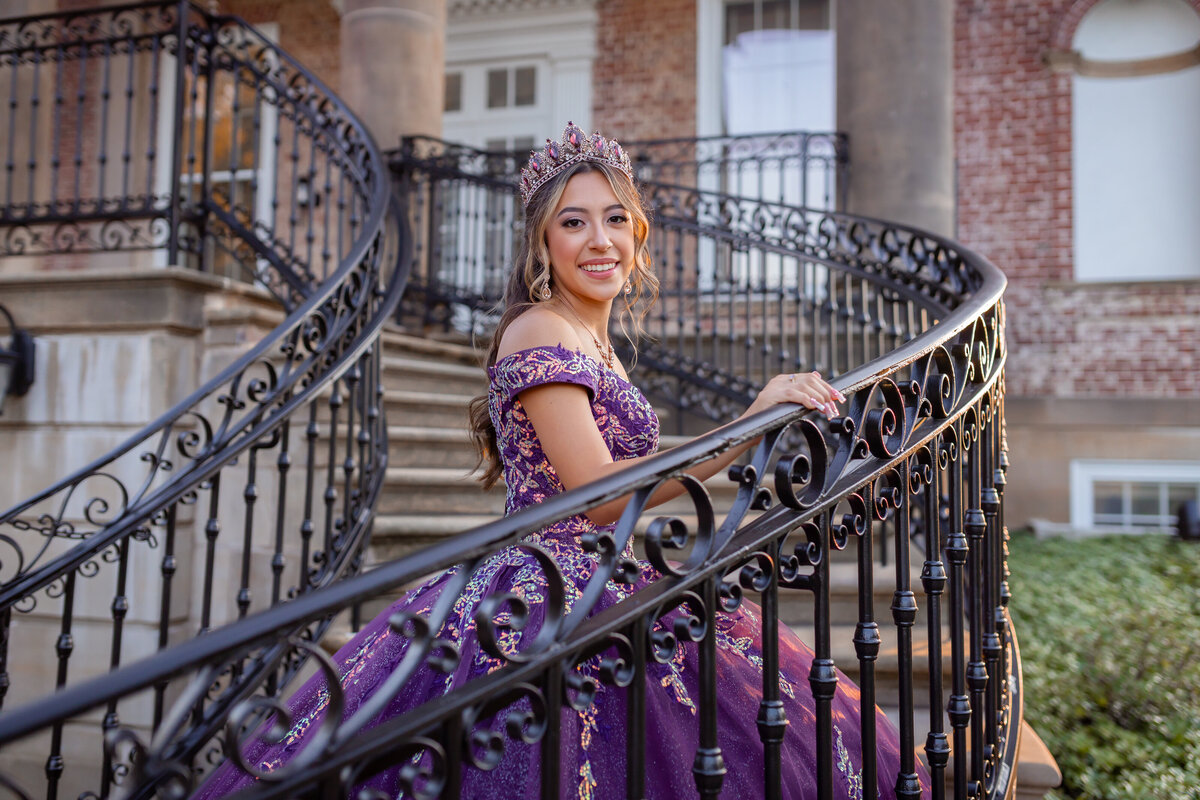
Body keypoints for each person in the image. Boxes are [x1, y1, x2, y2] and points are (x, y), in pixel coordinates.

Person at [198, 123, 929, 799]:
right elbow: (598, 495)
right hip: (540, 595)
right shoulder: (543, 329)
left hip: (602, 579)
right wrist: (745, 429)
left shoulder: (590, 335)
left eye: (615, 219)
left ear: (639, 237)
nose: (598, 238)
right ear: (541, 244)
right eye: (572, 221)